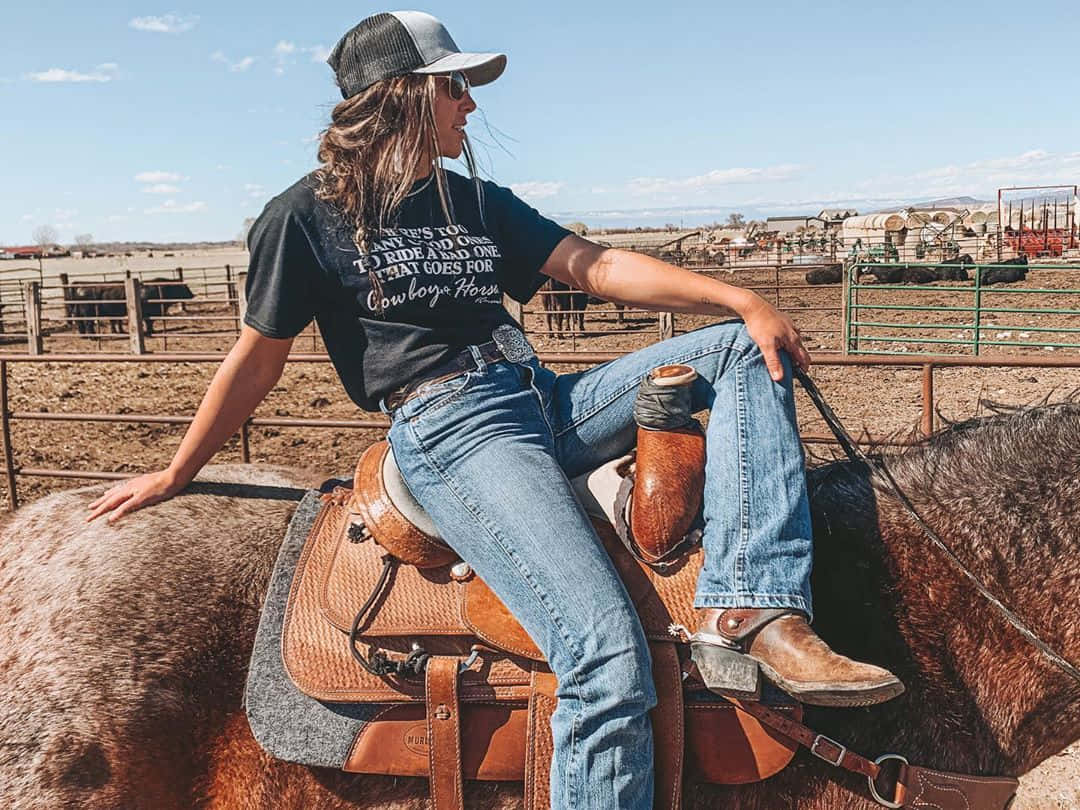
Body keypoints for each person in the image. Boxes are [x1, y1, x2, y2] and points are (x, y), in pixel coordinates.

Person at [87, 11, 901, 808]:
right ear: (402, 94)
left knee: (732, 347)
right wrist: (176, 470)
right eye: (456, 88)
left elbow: (597, 264)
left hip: (540, 395)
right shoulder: (305, 216)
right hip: (453, 427)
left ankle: (757, 608)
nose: (470, 105)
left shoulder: (473, 199)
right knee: (603, 657)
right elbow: (258, 357)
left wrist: (739, 297)